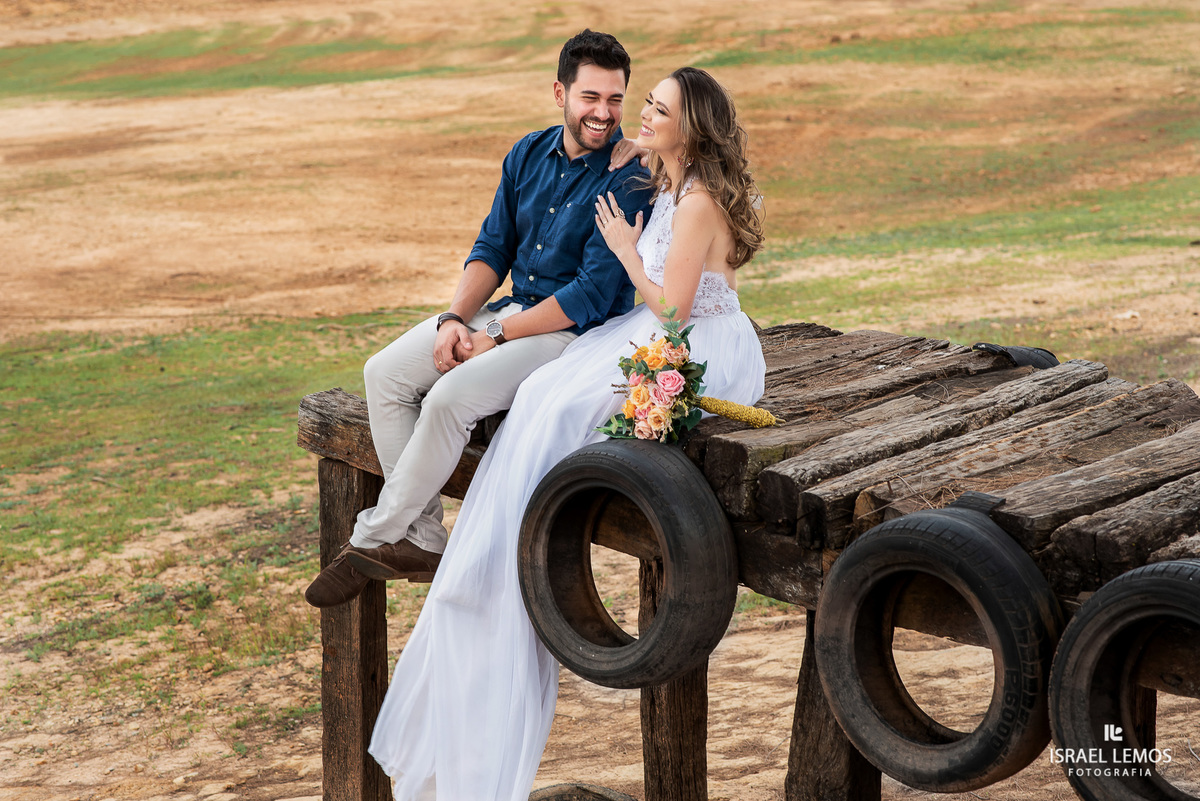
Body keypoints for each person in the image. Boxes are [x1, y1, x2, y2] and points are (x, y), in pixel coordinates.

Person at [366, 66, 767, 800]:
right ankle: (480, 536)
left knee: (554, 404)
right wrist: (616, 158)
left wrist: (619, 250)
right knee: (544, 394)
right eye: (637, 102)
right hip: (647, 327)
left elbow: (675, 315)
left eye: (655, 107)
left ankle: (496, 529)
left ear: (690, 127)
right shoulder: (660, 174)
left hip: (696, 341)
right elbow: (602, 167)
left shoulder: (700, 199)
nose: (637, 113)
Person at [304, 29, 653, 608]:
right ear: (559, 93)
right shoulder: (525, 153)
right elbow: (492, 248)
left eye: (615, 100)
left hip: (570, 335)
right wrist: (453, 319)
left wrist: (494, 334)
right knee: (384, 374)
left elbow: (591, 295)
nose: (603, 114)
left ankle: (372, 536)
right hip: (509, 311)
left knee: (448, 399)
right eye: (590, 97)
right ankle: (423, 537)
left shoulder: (628, 175)